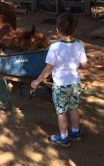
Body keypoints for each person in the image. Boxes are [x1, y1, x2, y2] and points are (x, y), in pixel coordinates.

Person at [31, 12, 90, 147]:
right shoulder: (79, 44)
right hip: (75, 84)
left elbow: (48, 69)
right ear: (74, 29)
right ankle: (75, 132)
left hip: (60, 86)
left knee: (61, 112)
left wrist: (37, 81)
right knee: (74, 108)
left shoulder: (54, 47)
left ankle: (64, 138)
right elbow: (85, 65)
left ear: (57, 30)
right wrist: (92, 62)